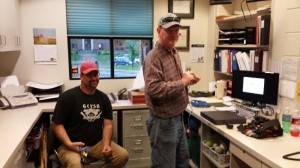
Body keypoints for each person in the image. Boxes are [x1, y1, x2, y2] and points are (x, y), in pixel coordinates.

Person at [143, 13, 200, 168]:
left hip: (178, 118)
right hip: (163, 123)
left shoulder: (173, 52)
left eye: (176, 30)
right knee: (164, 165)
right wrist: (182, 82)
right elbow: (154, 90)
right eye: (169, 31)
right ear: (158, 30)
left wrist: (188, 79)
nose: (174, 35)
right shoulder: (154, 57)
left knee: (182, 163)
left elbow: (173, 82)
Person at [52, 61, 129, 168]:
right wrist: (69, 144)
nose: (94, 78)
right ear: (81, 77)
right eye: (89, 75)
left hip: (94, 145)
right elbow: (57, 126)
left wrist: (106, 144)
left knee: (122, 155)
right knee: (76, 165)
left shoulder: (103, 98)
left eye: (96, 74)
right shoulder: (67, 97)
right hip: (71, 145)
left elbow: (108, 125)